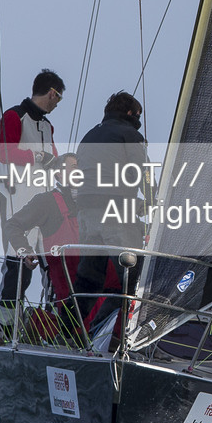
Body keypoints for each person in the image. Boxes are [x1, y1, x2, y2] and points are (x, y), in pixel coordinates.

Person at [0, 154, 118, 338]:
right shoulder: (46, 202)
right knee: (68, 334)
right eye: (73, 167)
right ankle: (34, 323)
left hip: (97, 291)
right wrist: (24, 251)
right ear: (59, 176)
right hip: (63, 292)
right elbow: (12, 225)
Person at [0, 70, 66, 310]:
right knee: (19, 268)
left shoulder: (47, 126)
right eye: (59, 98)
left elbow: (55, 161)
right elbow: (4, 153)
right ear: (52, 93)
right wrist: (37, 156)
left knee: (53, 267)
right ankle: (3, 326)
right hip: (19, 202)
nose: (58, 104)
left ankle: (53, 323)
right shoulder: (14, 117)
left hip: (45, 204)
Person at [74, 91, 149, 301]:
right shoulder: (130, 135)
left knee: (89, 277)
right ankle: (131, 328)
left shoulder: (88, 136)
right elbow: (142, 172)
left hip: (86, 213)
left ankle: (68, 329)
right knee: (134, 276)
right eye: (138, 116)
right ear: (130, 112)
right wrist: (153, 201)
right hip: (115, 212)